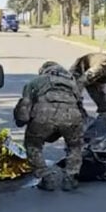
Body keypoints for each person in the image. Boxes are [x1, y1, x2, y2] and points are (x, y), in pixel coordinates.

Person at [14, 61, 86, 191]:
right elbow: (80, 106)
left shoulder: (36, 82)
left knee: (33, 145)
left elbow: (24, 109)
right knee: (74, 146)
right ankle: (70, 177)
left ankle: (45, 176)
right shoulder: (73, 84)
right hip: (72, 117)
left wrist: (22, 121)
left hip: (43, 117)